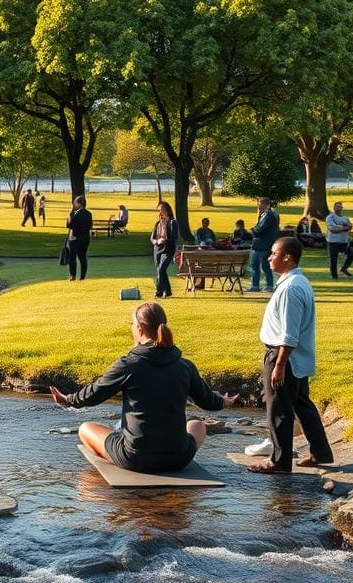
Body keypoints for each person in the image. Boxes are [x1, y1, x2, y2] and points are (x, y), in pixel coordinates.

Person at [50, 302, 237, 473]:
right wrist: (224, 401)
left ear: (139, 329)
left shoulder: (128, 364)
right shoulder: (185, 366)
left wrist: (67, 399)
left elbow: (94, 394)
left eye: (131, 325)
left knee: (85, 429)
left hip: (135, 458)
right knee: (198, 425)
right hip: (178, 458)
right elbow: (207, 401)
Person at [247, 237, 334, 473]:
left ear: (287, 257)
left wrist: (279, 365)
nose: (269, 257)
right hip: (295, 357)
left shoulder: (292, 288)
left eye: (273, 254)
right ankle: (321, 453)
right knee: (301, 405)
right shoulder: (296, 281)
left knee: (279, 409)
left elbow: (289, 334)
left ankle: (279, 461)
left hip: (284, 356)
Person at [248, 196, 280, 292]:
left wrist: (252, 230)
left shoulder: (270, 215)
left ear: (265, 204)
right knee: (254, 266)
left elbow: (259, 230)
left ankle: (269, 285)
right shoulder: (263, 215)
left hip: (265, 245)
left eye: (259, 204)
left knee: (265, 266)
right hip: (258, 245)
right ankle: (255, 286)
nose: (258, 206)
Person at [150, 201, 179, 298]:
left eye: (161, 209)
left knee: (161, 270)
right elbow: (152, 237)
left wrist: (164, 240)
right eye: (159, 210)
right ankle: (168, 292)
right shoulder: (157, 223)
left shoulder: (172, 223)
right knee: (161, 271)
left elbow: (174, 238)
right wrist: (156, 242)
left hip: (168, 249)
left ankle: (159, 292)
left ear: (167, 210)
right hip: (157, 249)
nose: (160, 211)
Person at [325, 201, 353, 279]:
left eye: (340, 207)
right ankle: (334, 276)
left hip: (344, 241)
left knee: (352, 254)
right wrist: (344, 228)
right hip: (333, 241)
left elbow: (350, 227)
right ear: (334, 208)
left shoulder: (345, 218)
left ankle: (344, 268)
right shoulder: (330, 217)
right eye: (337, 206)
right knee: (333, 259)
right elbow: (332, 229)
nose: (339, 208)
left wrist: (345, 227)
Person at [66, 195, 93, 281]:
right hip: (85, 238)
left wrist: (70, 216)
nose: (74, 204)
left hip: (75, 238)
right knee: (83, 258)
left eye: (75, 202)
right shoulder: (89, 214)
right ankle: (82, 277)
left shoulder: (75, 214)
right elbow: (90, 226)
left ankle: (72, 275)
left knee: (72, 258)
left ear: (79, 204)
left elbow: (70, 225)